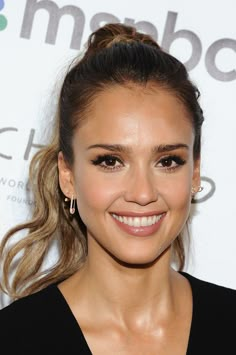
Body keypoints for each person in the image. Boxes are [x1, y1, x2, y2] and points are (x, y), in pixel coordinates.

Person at [0, 23, 235, 355]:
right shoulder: (12, 339)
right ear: (67, 175)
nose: (142, 193)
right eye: (110, 161)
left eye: (167, 161)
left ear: (194, 171)